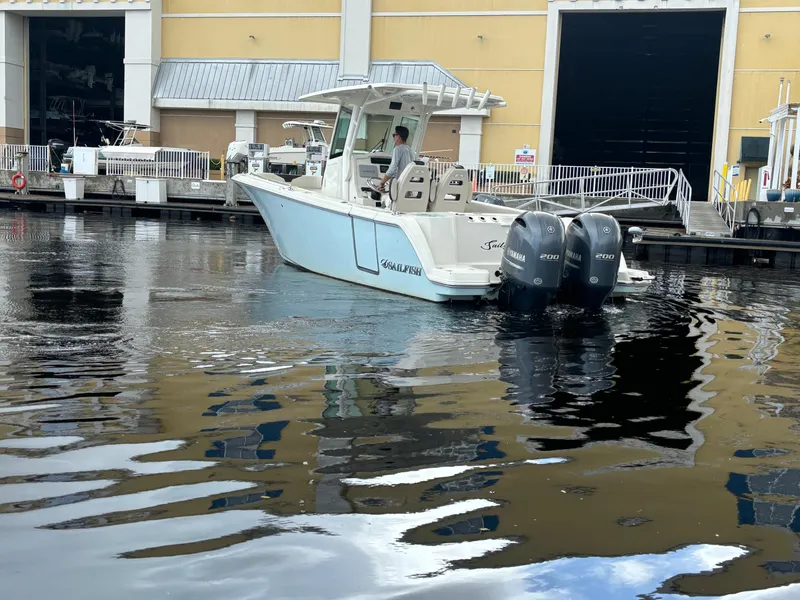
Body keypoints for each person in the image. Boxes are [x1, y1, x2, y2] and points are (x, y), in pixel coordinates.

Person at [379, 125, 414, 191]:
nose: (393, 138)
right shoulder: (409, 149)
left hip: (399, 185)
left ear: (398, 136)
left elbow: (392, 169)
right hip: (408, 185)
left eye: (394, 135)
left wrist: (382, 182)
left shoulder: (397, 149)